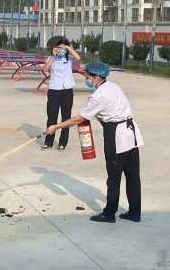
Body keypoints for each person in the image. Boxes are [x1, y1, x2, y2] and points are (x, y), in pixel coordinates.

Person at [45, 62, 144, 223]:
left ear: (98, 77)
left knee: (114, 176)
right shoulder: (113, 86)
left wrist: (56, 126)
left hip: (116, 135)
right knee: (133, 175)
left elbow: (80, 118)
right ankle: (134, 212)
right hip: (131, 135)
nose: (88, 79)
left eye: (89, 77)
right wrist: (81, 71)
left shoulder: (98, 96)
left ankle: (110, 213)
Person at [42, 38, 81, 151]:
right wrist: (54, 56)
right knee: (51, 117)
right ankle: (48, 142)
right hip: (54, 90)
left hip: (67, 91)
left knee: (66, 117)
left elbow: (78, 59)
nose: (61, 50)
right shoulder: (51, 58)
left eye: (63, 48)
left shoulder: (69, 60)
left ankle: (62, 143)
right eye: (59, 47)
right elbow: (45, 69)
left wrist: (68, 48)